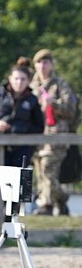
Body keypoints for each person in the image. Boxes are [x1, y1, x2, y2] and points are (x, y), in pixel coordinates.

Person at [30, 49, 78, 215]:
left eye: (46, 62)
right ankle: (61, 197)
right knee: (40, 172)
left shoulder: (60, 85)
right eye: (39, 62)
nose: (42, 66)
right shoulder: (30, 86)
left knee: (48, 168)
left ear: (52, 64)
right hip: (36, 135)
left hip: (56, 134)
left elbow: (71, 110)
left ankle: (46, 205)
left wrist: (54, 104)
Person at [0, 58, 44, 167]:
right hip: (0, 146)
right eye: (16, 79)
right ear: (10, 79)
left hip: (22, 147)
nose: (19, 82)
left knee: (19, 177)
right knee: (1, 176)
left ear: (28, 81)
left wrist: (22, 128)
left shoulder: (32, 99)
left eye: (23, 79)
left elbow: (39, 127)